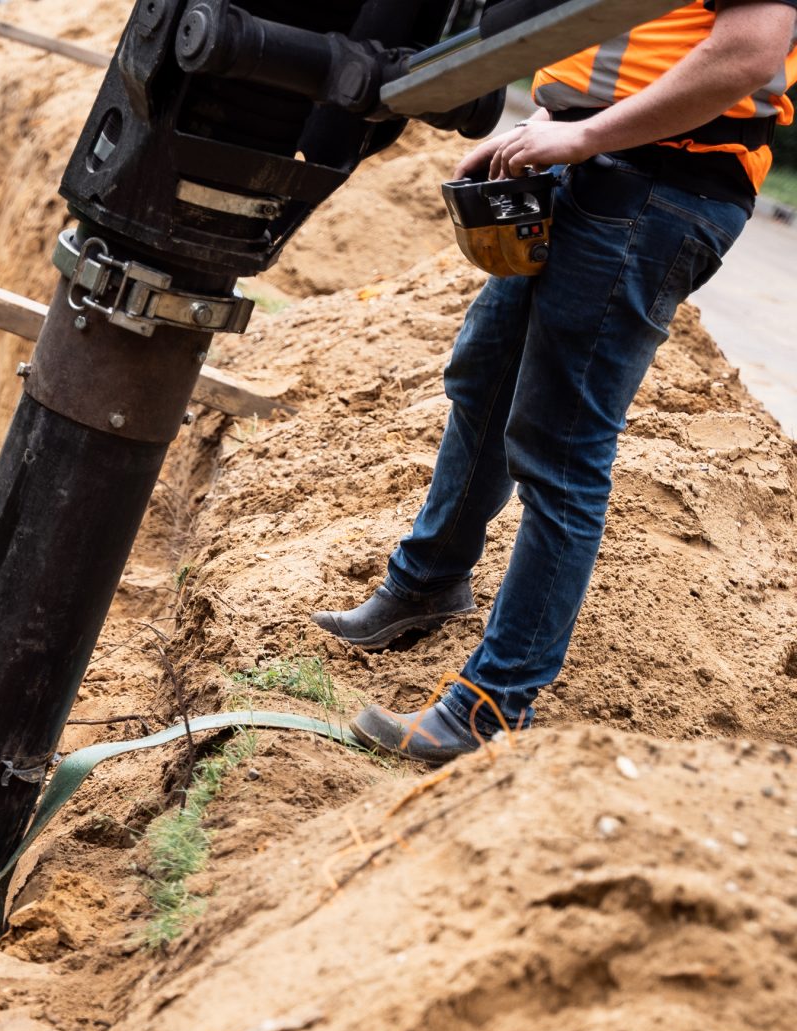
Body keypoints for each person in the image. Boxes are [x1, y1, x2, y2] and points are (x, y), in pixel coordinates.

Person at [315, 0, 797, 763]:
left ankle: (490, 708)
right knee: (485, 376)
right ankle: (427, 583)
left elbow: (745, 55)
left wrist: (581, 133)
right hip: (589, 165)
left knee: (561, 452)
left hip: (660, 184)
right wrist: (545, 127)